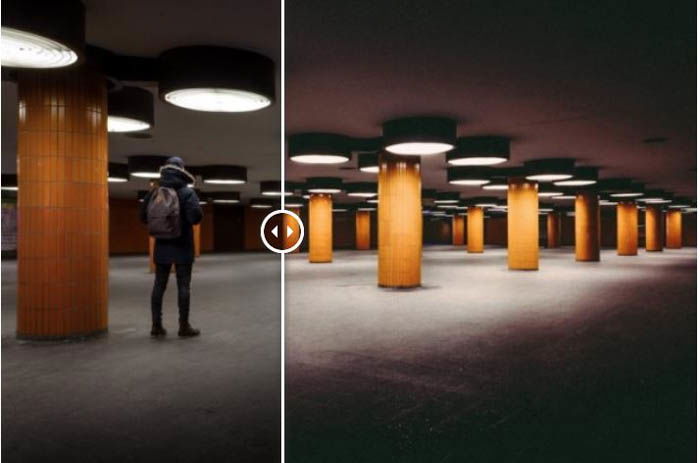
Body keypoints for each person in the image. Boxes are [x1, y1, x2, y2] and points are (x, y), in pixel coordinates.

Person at [140, 157, 203, 337]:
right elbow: (196, 218)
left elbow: (143, 217)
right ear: (182, 171)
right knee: (183, 286)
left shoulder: (154, 192)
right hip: (183, 246)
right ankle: (184, 326)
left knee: (159, 285)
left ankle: (156, 326)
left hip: (162, 246)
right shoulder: (187, 193)